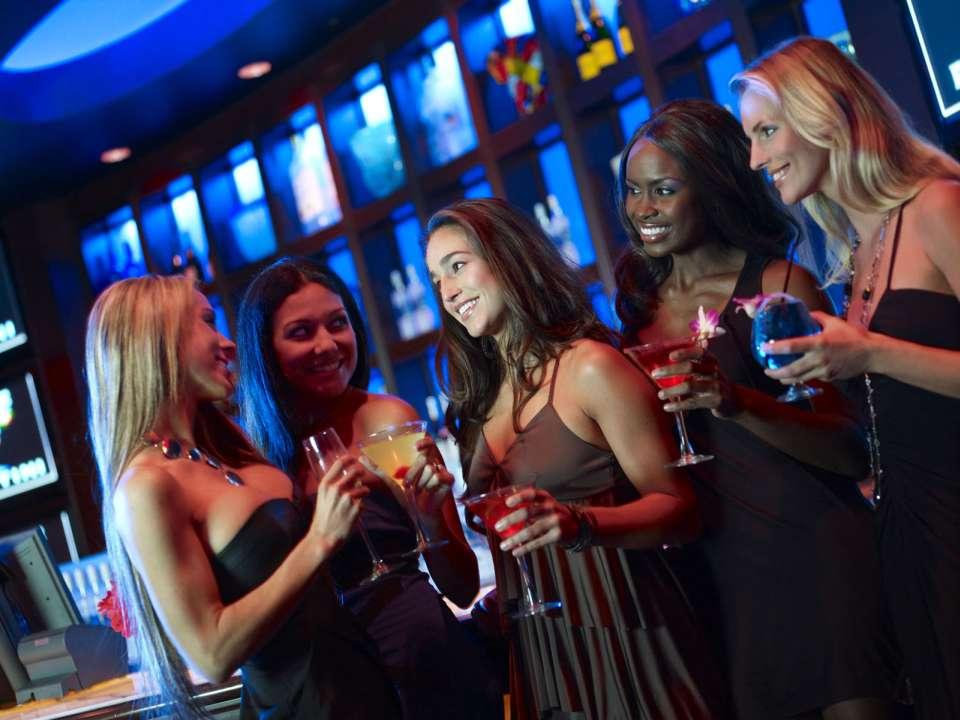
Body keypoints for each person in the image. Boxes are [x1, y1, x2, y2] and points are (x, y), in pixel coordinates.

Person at [614, 99, 896, 719]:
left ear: (715, 188)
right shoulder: (634, 314)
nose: (644, 210)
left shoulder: (778, 285)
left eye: (664, 190)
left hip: (812, 552)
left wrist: (734, 401)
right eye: (634, 191)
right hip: (715, 573)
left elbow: (851, 449)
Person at [425, 197, 725, 720]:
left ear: (508, 256)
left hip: (624, 628)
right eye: (436, 280)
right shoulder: (474, 409)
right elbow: (466, 582)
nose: (448, 293)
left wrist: (578, 523)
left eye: (457, 266)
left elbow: (683, 508)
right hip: (539, 651)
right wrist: (426, 513)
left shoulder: (590, 368)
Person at [733, 37, 960, 719]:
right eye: (750, 139)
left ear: (824, 113)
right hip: (909, 533)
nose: (755, 158)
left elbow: (881, 357)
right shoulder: (856, 255)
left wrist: (869, 353)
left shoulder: (939, 206)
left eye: (766, 131)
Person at [85, 274, 399, 719]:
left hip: (364, 686)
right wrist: (319, 540)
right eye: (208, 324)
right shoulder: (146, 486)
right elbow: (210, 655)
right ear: (156, 341)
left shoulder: (223, 441)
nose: (228, 343)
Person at [235, 256, 500, 720]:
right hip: (324, 686)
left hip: (421, 660)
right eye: (301, 332)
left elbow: (460, 587)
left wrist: (426, 520)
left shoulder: (389, 421)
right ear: (265, 350)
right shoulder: (250, 455)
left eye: (338, 324)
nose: (328, 344)